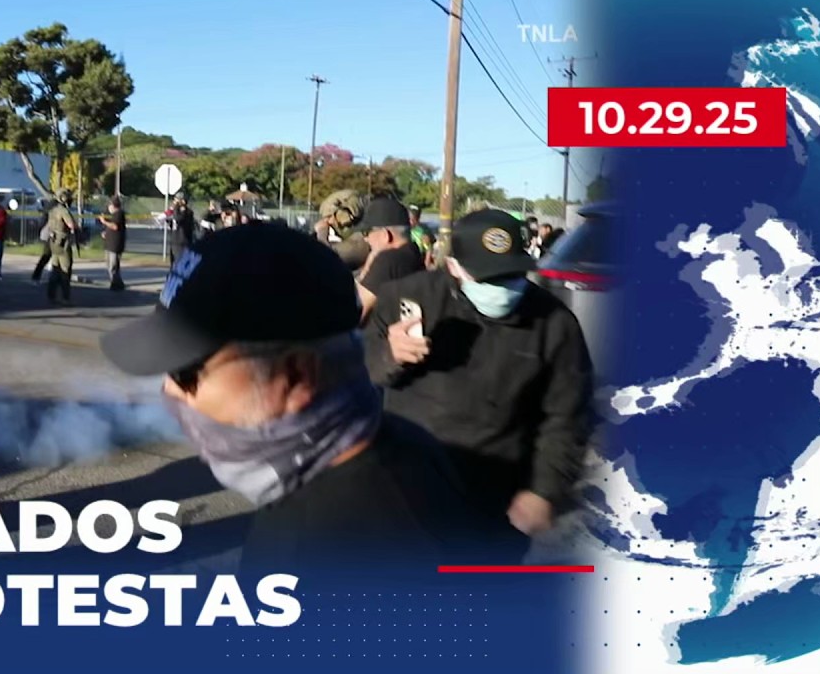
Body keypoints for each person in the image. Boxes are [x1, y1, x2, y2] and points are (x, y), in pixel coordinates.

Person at [99, 224, 500, 575]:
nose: (169, 391)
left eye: (186, 373)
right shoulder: (365, 453)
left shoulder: (349, 548)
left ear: (295, 376)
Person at [363, 209, 596, 560]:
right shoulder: (406, 298)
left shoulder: (554, 321)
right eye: (489, 278)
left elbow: (568, 414)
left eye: (512, 275)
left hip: (496, 496)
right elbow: (357, 376)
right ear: (454, 267)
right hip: (405, 488)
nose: (503, 289)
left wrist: (544, 491)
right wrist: (388, 355)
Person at [354, 197, 424, 323]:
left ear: (385, 235)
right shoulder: (414, 253)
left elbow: (354, 311)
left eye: (367, 232)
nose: (366, 239)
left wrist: (367, 268)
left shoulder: (388, 260)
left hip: (380, 339)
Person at [45, 189, 78, 305]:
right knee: (65, 270)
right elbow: (71, 225)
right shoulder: (63, 211)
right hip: (63, 243)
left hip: (54, 242)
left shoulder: (53, 210)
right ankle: (65, 297)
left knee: (55, 269)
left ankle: (51, 295)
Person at [98, 196, 127, 291]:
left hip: (115, 244)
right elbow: (111, 227)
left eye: (110, 205)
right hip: (109, 243)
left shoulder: (119, 214)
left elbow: (115, 226)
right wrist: (105, 233)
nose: (109, 207)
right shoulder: (113, 215)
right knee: (109, 265)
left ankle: (116, 284)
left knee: (113, 266)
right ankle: (117, 283)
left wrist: (104, 222)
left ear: (113, 205)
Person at [168, 194, 196, 267]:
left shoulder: (187, 212)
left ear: (183, 201)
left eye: (177, 200)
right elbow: (174, 224)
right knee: (173, 264)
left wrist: (176, 207)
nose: (174, 202)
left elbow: (178, 219)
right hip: (174, 241)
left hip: (182, 242)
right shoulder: (177, 211)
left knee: (179, 264)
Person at [31, 198, 53, 283]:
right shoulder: (53, 208)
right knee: (46, 255)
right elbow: (44, 222)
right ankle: (36, 276)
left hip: (49, 234)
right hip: (49, 235)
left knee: (52, 256)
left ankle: (54, 276)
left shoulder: (51, 207)